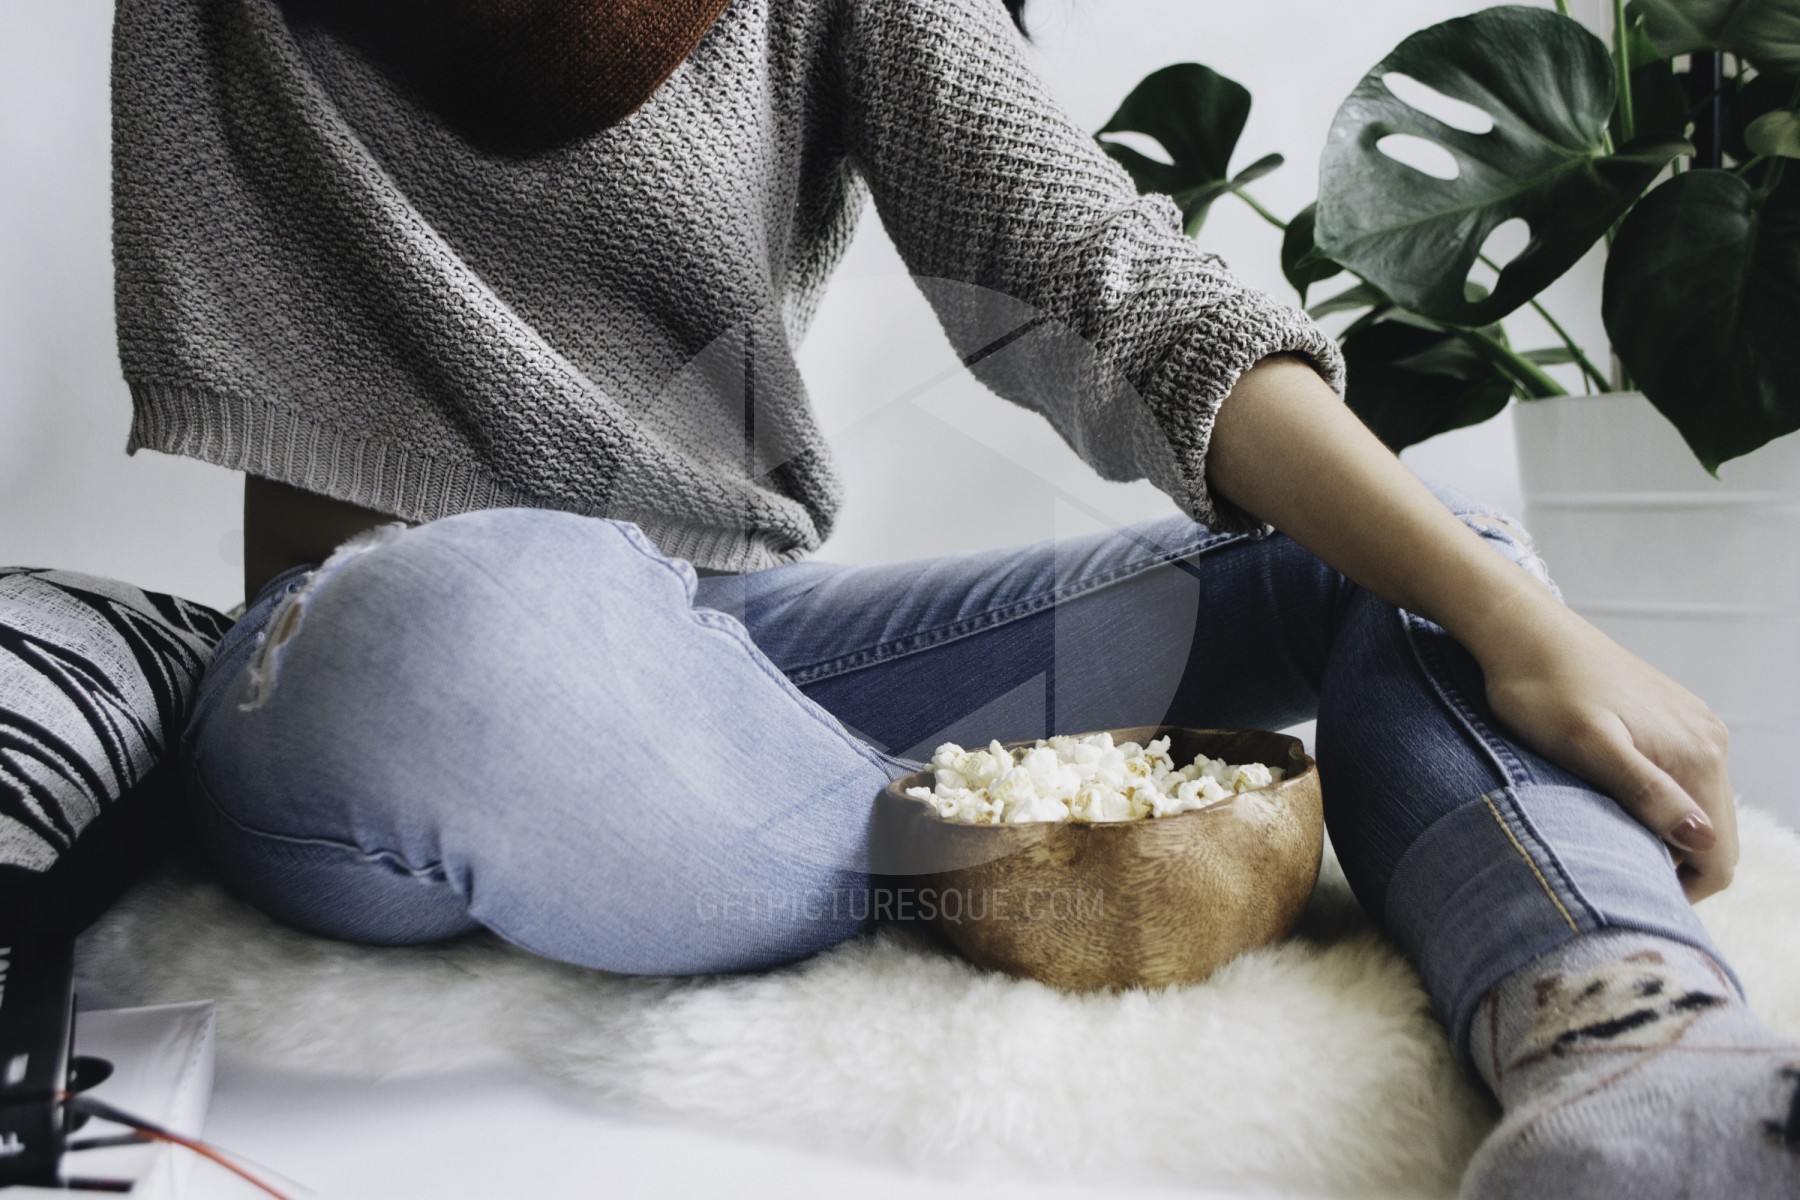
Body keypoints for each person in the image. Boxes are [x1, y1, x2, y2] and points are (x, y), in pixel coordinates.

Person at [110, 0, 1797, 1195]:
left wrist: (1519, 619)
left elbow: (1102, 279)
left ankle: (1624, 1040)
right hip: (378, 670)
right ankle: (987, 856)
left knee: (1425, 553)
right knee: (469, 619)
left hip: (738, 651)